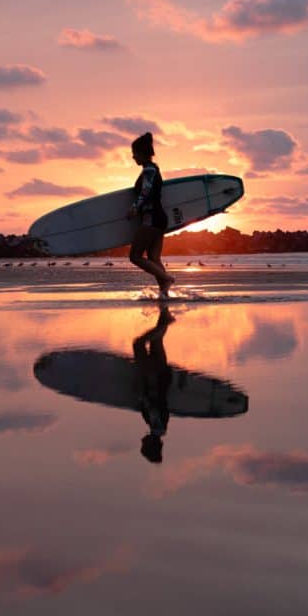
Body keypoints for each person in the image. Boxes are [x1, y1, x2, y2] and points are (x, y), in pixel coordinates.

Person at [128, 131, 175, 298]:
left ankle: (167, 278)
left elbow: (146, 191)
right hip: (159, 218)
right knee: (154, 258)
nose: (133, 157)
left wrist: (135, 207)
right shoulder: (152, 169)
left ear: (142, 153)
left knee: (134, 256)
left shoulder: (149, 170)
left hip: (151, 218)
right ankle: (164, 294)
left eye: (134, 154)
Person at [133, 307, 174, 462]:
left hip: (162, 375)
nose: (141, 441)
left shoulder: (159, 426)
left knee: (156, 340)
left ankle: (165, 305)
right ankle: (166, 321)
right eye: (143, 446)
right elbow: (153, 399)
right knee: (138, 344)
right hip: (154, 377)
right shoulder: (156, 424)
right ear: (151, 444)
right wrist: (143, 390)